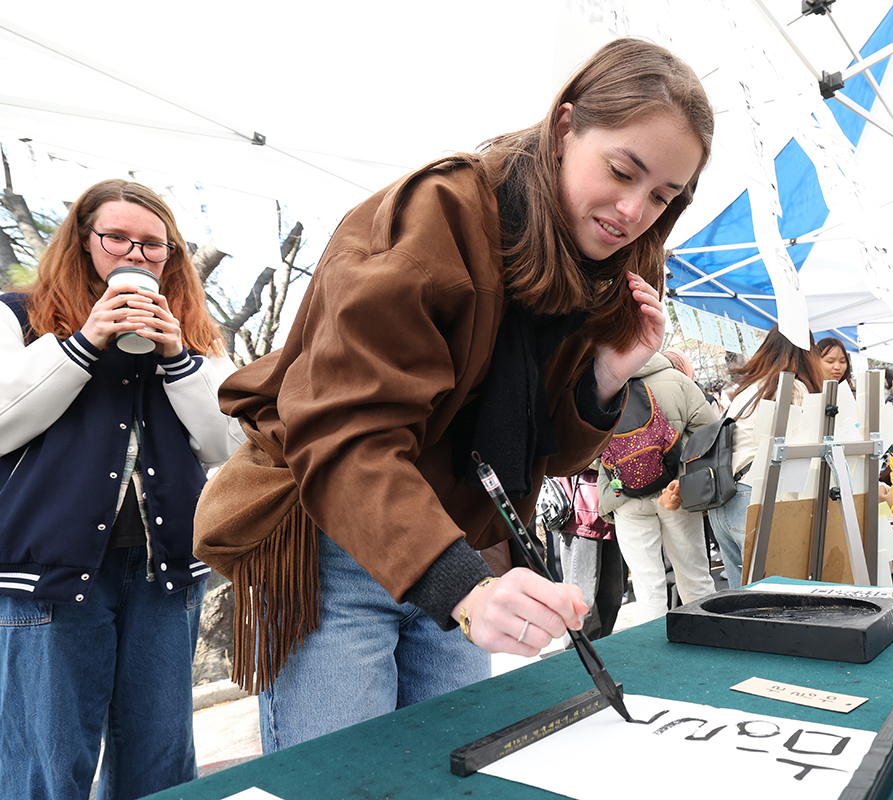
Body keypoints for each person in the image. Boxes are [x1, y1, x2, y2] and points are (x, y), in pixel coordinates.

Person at [191, 38, 714, 752]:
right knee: (347, 778)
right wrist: (463, 587)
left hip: (459, 547)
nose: (633, 210)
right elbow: (343, 430)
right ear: (564, 128)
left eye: (663, 197)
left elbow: (540, 455)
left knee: (451, 767)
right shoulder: (436, 213)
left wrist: (605, 377)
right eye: (623, 171)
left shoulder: (590, 269)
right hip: (338, 542)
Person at [0, 179, 243, 799]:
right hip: (50, 572)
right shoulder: (15, 315)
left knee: (158, 764)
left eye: (153, 246)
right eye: (116, 239)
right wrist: (83, 343)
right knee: (47, 765)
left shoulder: (190, 335)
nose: (134, 255)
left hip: (166, 571)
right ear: (83, 243)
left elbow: (231, 446)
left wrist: (179, 358)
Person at [664, 325, 823, 589]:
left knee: (744, 603)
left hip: (724, 501)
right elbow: (808, 456)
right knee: (778, 601)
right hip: (761, 499)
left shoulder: (749, 390)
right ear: (807, 354)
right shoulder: (793, 390)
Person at [598, 349, 717, 623]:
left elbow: (587, 450)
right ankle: (709, 641)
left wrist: (618, 469)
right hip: (676, 493)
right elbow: (709, 433)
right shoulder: (677, 380)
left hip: (624, 498)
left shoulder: (601, 386)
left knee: (647, 585)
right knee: (695, 576)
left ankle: (657, 658)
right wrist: (681, 478)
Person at [549, 462, 624, 642]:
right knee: (583, 602)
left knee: (612, 597)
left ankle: (602, 650)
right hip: (581, 511)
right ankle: (577, 656)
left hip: (611, 509)